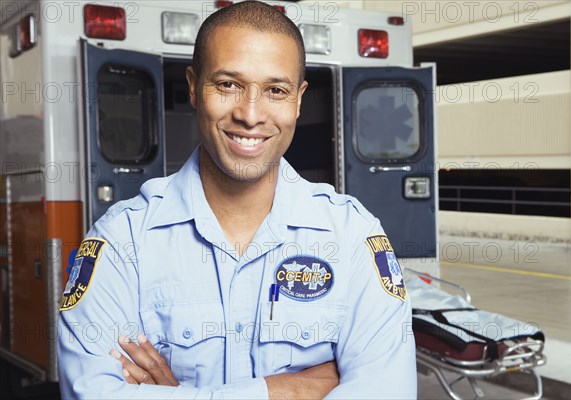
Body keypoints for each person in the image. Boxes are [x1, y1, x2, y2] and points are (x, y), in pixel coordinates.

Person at [57, 1, 416, 398]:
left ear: (298, 99)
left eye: (275, 90)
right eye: (228, 84)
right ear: (194, 87)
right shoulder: (122, 242)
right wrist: (285, 391)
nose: (250, 114)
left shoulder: (353, 238)